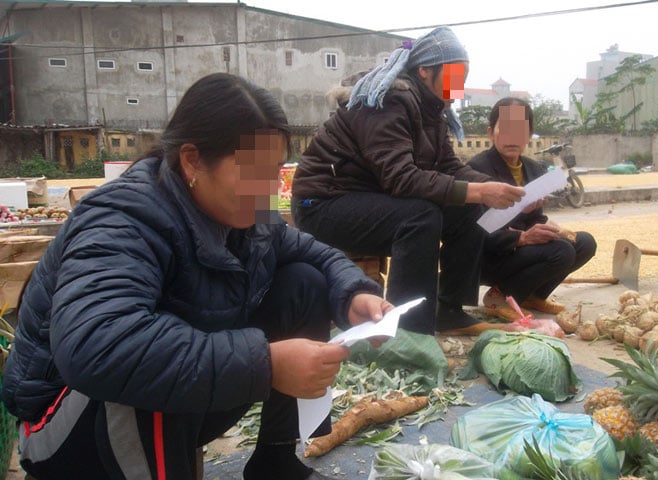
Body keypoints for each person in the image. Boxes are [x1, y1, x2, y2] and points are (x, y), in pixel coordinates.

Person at [0, 73, 392, 480]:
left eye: (274, 170)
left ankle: (275, 461)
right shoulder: (124, 217)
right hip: (65, 428)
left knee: (305, 282)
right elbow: (100, 346)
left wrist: (353, 295)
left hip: (172, 407)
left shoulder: (247, 216)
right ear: (191, 160)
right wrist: (267, 364)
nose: (268, 189)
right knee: (150, 349)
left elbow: (316, 253)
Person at [291, 26, 524, 336]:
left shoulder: (432, 112)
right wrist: (479, 190)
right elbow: (401, 179)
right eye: (455, 75)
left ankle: (450, 310)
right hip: (324, 204)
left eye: (463, 78)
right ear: (425, 70)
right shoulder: (388, 102)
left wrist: (500, 191)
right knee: (420, 216)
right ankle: (407, 329)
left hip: (370, 201)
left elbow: (450, 167)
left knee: (470, 209)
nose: (460, 85)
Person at [467, 97, 597, 321]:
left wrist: (548, 227)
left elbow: (535, 218)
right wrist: (523, 237)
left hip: (519, 252)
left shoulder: (533, 168)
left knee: (583, 242)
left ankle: (531, 295)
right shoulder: (476, 170)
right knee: (561, 252)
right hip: (487, 254)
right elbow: (476, 232)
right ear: (491, 133)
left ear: (528, 135)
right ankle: (498, 297)